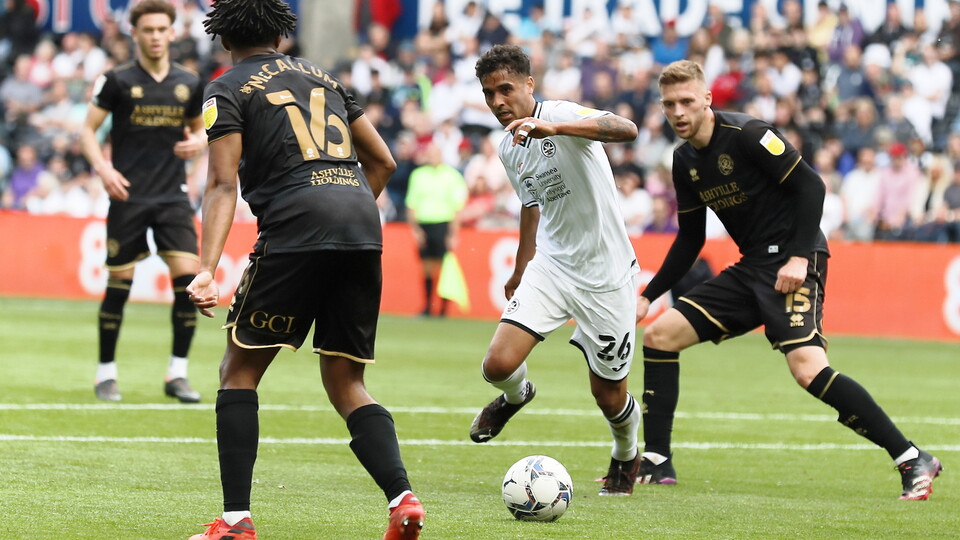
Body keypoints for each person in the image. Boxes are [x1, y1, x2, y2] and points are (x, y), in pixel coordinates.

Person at [634, 60, 942, 500]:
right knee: (661, 335)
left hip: (795, 259)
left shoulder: (749, 134)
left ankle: (911, 457)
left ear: (707, 98)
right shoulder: (684, 160)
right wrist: (648, 295)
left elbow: (811, 186)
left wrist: (798, 257)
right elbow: (691, 237)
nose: (679, 111)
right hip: (752, 265)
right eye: (669, 105)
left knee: (807, 369)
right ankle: (658, 459)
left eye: (687, 101)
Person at [185, 1, 424, 539]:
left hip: (296, 227)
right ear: (281, 32)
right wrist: (343, 214)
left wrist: (207, 268)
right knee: (347, 381)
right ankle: (402, 498)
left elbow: (223, 184)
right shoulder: (327, 79)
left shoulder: (226, 87)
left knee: (239, 372)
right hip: (362, 225)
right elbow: (382, 162)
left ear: (224, 39)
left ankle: (235, 522)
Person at [468, 44, 644, 496]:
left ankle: (626, 455)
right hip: (552, 266)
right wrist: (521, 265)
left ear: (529, 84)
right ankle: (516, 395)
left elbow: (626, 128)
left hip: (607, 277)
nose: (498, 102)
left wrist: (555, 125)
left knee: (608, 396)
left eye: (505, 89)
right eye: (489, 94)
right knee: (497, 364)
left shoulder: (563, 114)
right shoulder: (510, 146)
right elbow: (532, 203)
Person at [80, 0, 206, 403]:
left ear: (173, 32)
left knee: (188, 285)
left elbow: (201, 130)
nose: (154, 36)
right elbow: (88, 130)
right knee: (119, 286)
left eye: (161, 29)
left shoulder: (190, 82)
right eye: (147, 29)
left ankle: (178, 374)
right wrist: (103, 168)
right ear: (134, 34)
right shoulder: (115, 80)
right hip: (128, 196)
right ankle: (105, 374)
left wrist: (200, 141)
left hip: (172, 197)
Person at [405, 141, 468, 317]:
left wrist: (452, 234)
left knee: (443, 268)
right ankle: (427, 306)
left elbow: (457, 208)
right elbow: (411, 205)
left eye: (435, 153)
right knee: (426, 267)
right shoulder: (418, 175)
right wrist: (416, 230)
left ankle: (442, 309)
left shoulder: (452, 176)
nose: (433, 157)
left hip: (443, 224)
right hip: (424, 224)